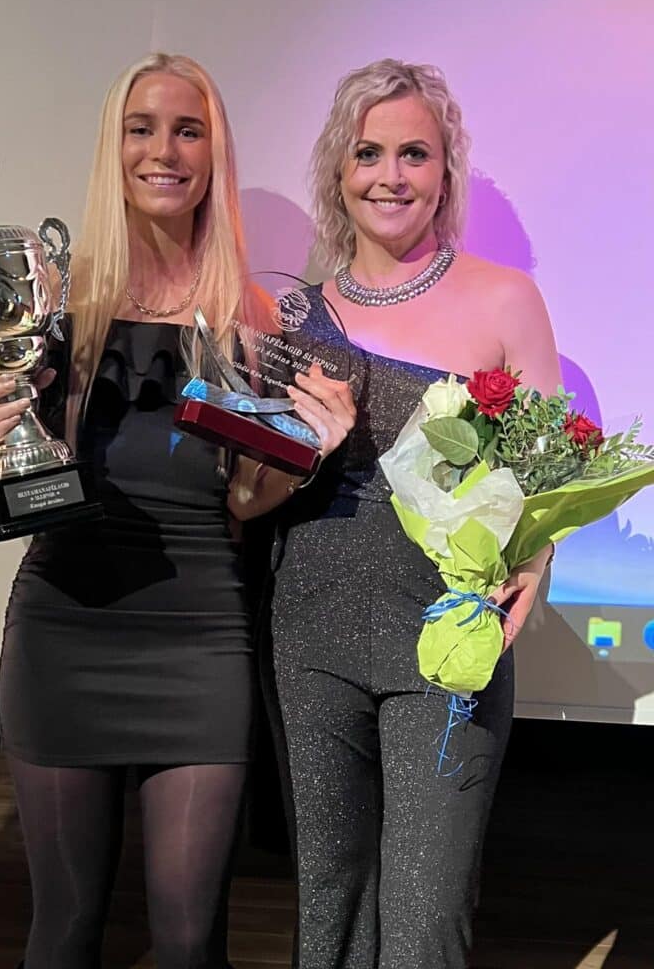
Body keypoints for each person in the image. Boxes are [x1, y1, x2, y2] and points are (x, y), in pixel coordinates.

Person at [0, 53, 349, 969]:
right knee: (64, 932)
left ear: (214, 151)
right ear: (115, 146)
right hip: (65, 627)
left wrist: (309, 454)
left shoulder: (252, 313)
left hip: (201, 640)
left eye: (187, 130)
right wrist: (2, 420)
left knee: (188, 942)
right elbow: (23, 459)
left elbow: (246, 499)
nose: (163, 151)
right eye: (142, 129)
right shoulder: (54, 300)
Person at [244, 59, 561, 968]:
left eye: (414, 154)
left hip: (448, 628)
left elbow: (548, 473)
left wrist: (533, 565)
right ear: (338, 171)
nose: (390, 175)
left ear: (445, 171)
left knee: (425, 917)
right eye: (368, 153)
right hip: (309, 626)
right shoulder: (292, 314)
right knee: (330, 904)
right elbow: (248, 493)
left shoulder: (505, 297)